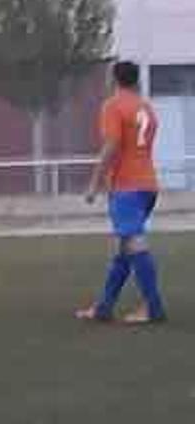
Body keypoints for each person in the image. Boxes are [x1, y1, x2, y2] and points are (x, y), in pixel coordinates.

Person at [77, 61, 167, 324]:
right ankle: (104, 307)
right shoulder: (146, 108)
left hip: (126, 187)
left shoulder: (113, 106)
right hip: (148, 185)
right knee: (123, 249)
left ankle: (154, 307)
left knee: (134, 243)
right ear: (136, 80)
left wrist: (95, 182)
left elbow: (112, 144)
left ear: (114, 79)